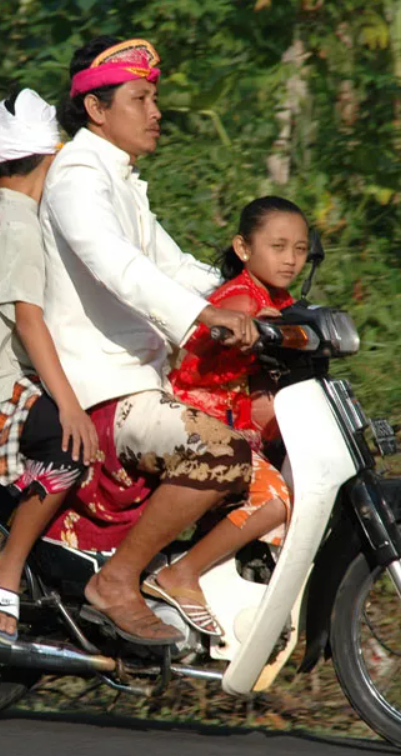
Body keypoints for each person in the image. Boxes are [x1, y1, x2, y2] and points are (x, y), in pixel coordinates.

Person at [38, 36, 261, 644]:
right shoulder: (78, 177)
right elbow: (117, 265)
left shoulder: (120, 179)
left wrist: (255, 293)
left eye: (155, 97)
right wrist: (203, 317)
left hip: (139, 380)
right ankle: (119, 579)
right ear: (97, 109)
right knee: (223, 454)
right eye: (141, 98)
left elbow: (174, 265)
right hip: (103, 388)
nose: (156, 111)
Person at [0, 89, 95, 644]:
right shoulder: (20, 227)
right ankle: (8, 567)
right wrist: (68, 405)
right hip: (4, 382)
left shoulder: (1, 214)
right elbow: (28, 322)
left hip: (4, 372)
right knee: (71, 446)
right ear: (53, 157)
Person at [150, 196, 310, 635]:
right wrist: (252, 329)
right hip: (197, 422)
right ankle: (181, 574)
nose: (291, 259)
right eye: (278, 247)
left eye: (300, 249)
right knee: (274, 500)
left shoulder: (275, 297)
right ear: (244, 248)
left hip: (230, 419)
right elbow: (237, 327)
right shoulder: (242, 299)